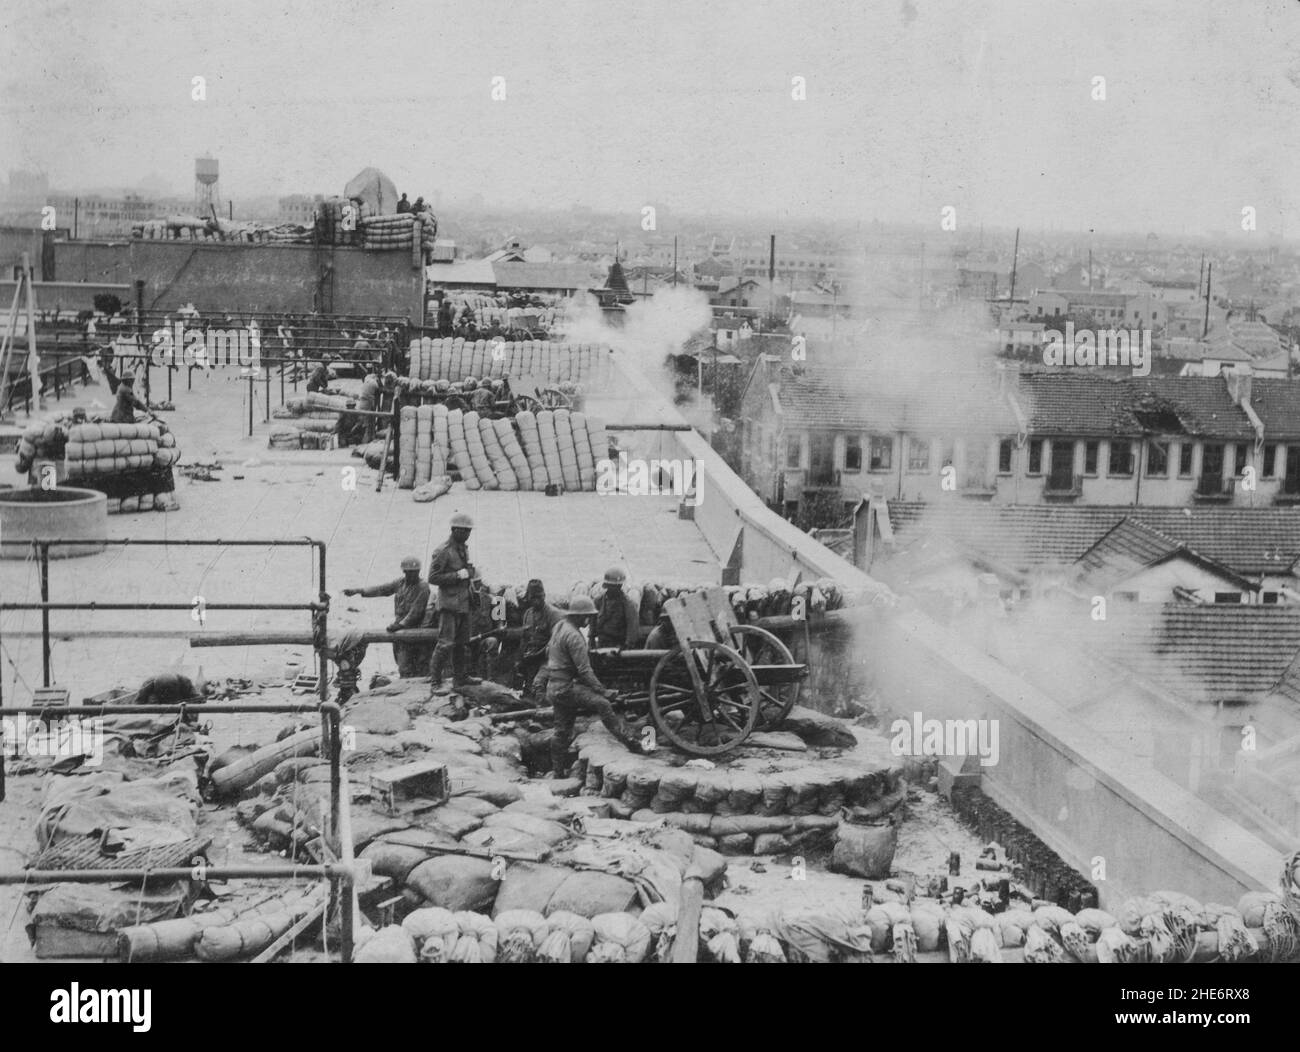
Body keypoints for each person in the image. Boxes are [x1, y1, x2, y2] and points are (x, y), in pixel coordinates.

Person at [547, 595, 643, 777]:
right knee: (603, 704)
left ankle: (557, 772)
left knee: (562, 730)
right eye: (586, 616)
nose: (588, 620)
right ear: (578, 616)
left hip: (554, 686)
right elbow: (585, 671)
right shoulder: (574, 636)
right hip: (565, 688)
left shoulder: (560, 627)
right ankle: (631, 743)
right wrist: (603, 691)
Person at [343, 556, 430, 678]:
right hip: (400, 629)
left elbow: (416, 611)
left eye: (414, 572)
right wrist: (359, 591)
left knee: (412, 665)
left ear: (418, 572)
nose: (411, 575)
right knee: (402, 663)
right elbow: (382, 589)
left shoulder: (423, 587)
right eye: (408, 572)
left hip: (415, 630)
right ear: (404, 572)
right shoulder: (401, 583)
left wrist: (400, 625)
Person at [427, 512, 481, 694]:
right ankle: (435, 682)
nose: (467, 534)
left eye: (469, 531)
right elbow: (433, 578)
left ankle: (460, 677)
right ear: (454, 530)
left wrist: (468, 576)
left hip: (463, 603)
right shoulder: (443, 551)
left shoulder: (462, 548)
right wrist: (456, 575)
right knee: (445, 644)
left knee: (461, 643)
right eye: (464, 531)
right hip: (449, 604)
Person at [516, 579, 563, 698]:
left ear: (544, 596)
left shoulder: (553, 614)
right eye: (533, 597)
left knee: (538, 684)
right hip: (532, 659)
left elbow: (555, 643)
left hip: (549, 659)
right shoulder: (528, 614)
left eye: (539, 597)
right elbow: (524, 639)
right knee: (524, 689)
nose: (536, 601)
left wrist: (537, 655)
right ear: (528, 598)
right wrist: (520, 660)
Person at [592, 566, 640, 649]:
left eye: (617, 586)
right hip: (602, 643)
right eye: (611, 586)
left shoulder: (629, 604)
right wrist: (591, 641)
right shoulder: (598, 601)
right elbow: (592, 623)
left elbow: (632, 628)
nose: (614, 589)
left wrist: (627, 646)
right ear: (606, 585)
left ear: (621, 586)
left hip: (619, 645)